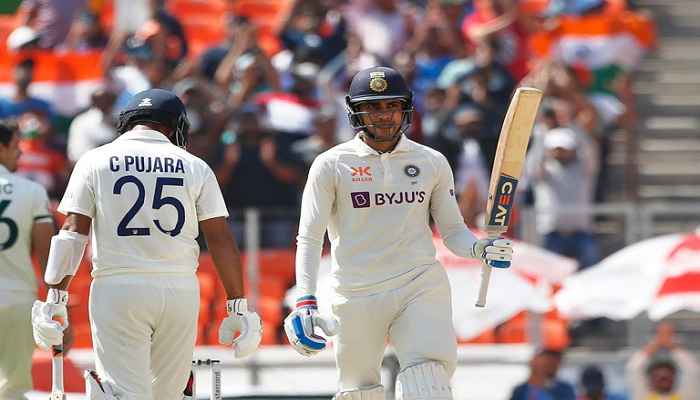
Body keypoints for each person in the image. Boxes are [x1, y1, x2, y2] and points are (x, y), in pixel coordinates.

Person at [283, 66, 513, 400]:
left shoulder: (431, 161)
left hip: (418, 286)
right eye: (373, 107)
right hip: (356, 292)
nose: (383, 115)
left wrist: (481, 249)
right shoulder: (331, 164)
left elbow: (452, 231)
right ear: (355, 112)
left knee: (429, 380)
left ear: (404, 108)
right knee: (358, 392)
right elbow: (309, 236)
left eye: (390, 105)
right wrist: (305, 300)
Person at [30, 89, 262, 399]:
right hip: (178, 288)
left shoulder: (95, 160)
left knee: (122, 394)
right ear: (175, 126)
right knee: (170, 394)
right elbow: (220, 239)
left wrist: (55, 298)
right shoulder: (195, 165)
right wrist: (238, 308)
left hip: (118, 287)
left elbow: (72, 233)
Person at [0, 119, 57, 398]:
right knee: (14, 387)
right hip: (18, 299)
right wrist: (57, 306)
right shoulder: (32, 191)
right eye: (14, 146)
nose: (20, 152)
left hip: (19, 298)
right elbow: (48, 255)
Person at [625, 322, 700, 400]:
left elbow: (692, 370)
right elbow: (633, 369)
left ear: (674, 377)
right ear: (650, 379)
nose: (663, 377)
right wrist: (658, 342)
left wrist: (669, 344)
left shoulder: (687, 396)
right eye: (659, 376)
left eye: (666, 376)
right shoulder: (642, 397)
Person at [509, 348, 576, 400]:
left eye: (554, 364)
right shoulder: (521, 390)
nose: (552, 366)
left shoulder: (565, 389)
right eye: (547, 364)